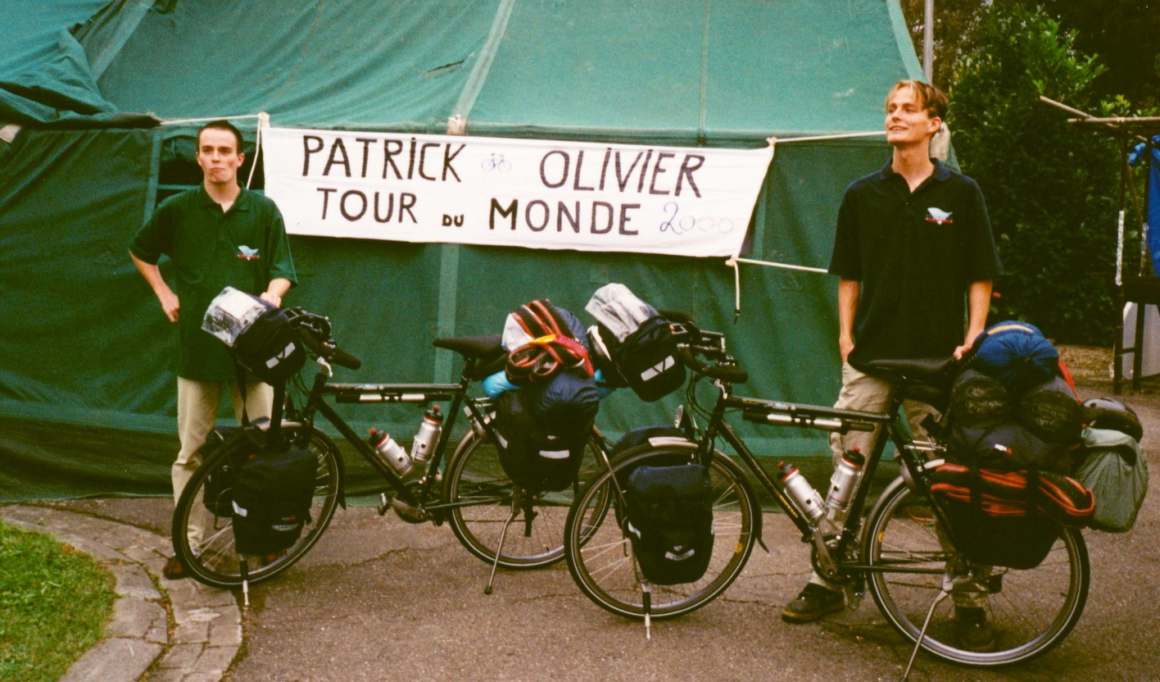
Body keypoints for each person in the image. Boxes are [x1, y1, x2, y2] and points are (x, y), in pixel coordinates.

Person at [780, 80, 1002, 650]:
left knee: (948, 477)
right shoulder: (863, 193)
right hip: (872, 357)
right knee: (846, 469)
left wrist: (973, 336)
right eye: (890, 110)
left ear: (934, 124)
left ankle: (969, 596)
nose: (895, 118)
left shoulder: (962, 193)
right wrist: (846, 338)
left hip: (937, 362)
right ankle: (825, 579)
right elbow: (847, 274)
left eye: (908, 109)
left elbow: (981, 273)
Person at [129, 120, 297, 579]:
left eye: (226, 150)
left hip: (254, 353)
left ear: (240, 159)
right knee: (191, 452)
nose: (217, 158)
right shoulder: (178, 208)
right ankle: (189, 546)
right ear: (199, 157)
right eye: (208, 150)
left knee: (262, 449)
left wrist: (274, 294)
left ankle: (262, 541)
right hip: (197, 352)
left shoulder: (262, 211)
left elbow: (283, 269)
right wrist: (164, 293)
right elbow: (141, 251)